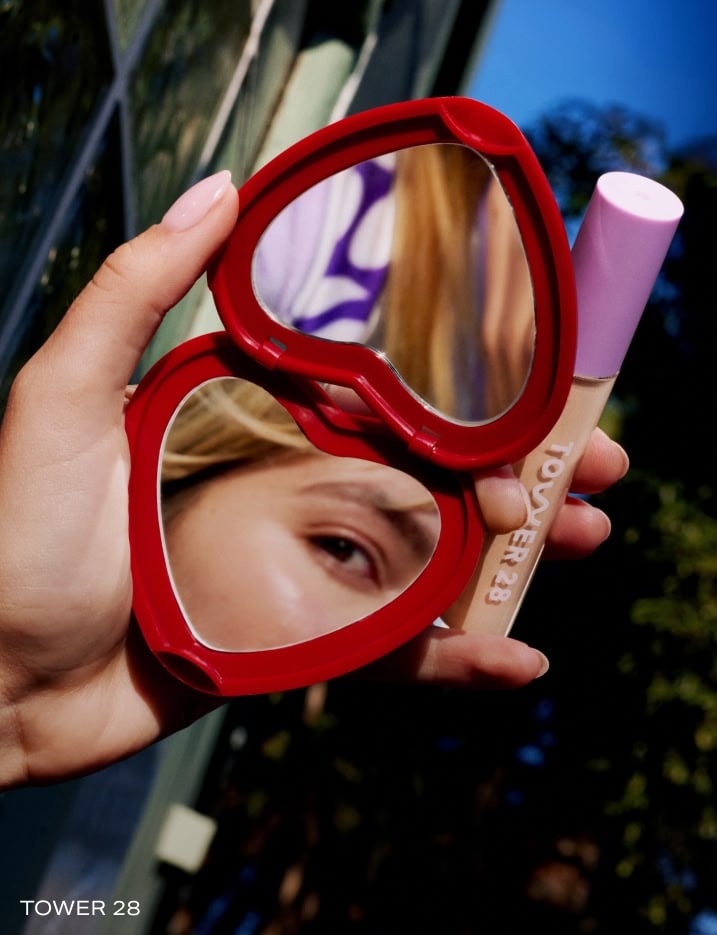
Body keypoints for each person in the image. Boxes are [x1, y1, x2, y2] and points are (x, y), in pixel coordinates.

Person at [0, 170, 627, 789]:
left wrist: (17, 707)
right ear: (206, 465)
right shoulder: (336, 228)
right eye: (342, 547)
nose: (363, 638)